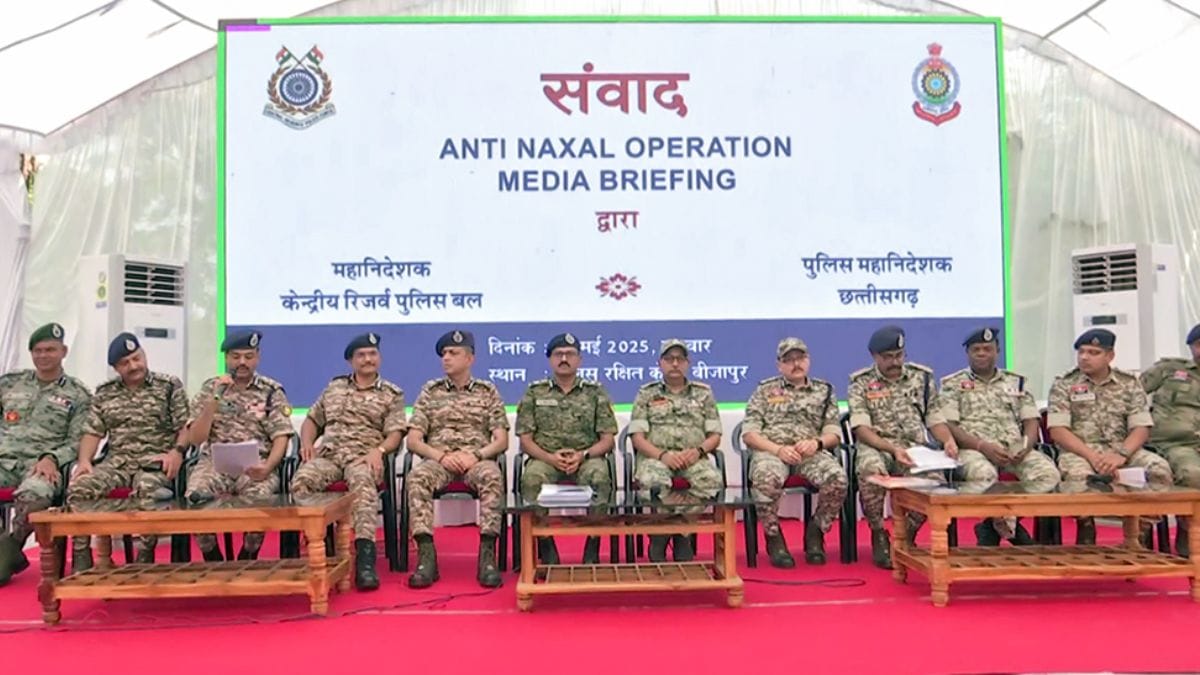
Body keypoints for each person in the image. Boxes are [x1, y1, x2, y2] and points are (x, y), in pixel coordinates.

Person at [291, 332, 405, 590]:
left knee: (363, 485)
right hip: (329, 456)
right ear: (351, 361)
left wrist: (380, 450)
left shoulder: (391, 393)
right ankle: (322, 550)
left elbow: (396, 433)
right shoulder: (334, 387)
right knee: (302, 480)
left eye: (372, 354)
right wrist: (307, 444)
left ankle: (365, 561)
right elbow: (312, 420)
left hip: (364, 457)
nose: (368, 359)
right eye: (361, 355)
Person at [68, 332, 189, 571]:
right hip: (118, 463)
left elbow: (185, 427)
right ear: (116, 368)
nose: (134, 366)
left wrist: (177, 452)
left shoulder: (168, 386)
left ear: (144, 355)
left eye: (137, 358)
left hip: (156, 462)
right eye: (125, 363)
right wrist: (84, 462)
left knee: (147, 489)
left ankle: (145, 552)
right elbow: (93, 432)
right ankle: (81, 552)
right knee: (79, 487)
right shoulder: (105, 392)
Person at [1047, 328, 1172, 544]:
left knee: (1158, 469)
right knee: (1079, 478)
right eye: (1082, 352)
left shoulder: (1129, 384)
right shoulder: (1064, 384)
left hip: (1123, 450)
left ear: (1110, 356)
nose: (1085, 357)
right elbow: (1058, 431)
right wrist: (1093, 457)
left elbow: (1141, 426)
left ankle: (1137, 531)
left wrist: (1121, 455)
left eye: (1094, 352)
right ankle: (1086, 529)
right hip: (1081, 451)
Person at [937, 327, 1059, 546]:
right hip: (973, 450)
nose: (982, 353)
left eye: (987, 349)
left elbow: (1031, 420)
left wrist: (1026, 445)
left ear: (998, 351)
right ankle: (1008, 529)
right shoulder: (952, 384)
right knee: (985, 477)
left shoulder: (1016, 382)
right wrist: (982, 446)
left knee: (1048, 475)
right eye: (976, 349)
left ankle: (992, 526)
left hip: (1014, 449)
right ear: (968, 353)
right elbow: (950, 426)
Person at [405, 330, 508, 589]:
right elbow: (414, 440)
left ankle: (487, 555)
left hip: (476, 459)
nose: (446, 358)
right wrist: (442, 456)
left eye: (454, 353)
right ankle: (426, 557)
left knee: (493, 476)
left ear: (470, 358)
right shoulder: (430, 391)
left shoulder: (487, 391)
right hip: (440, 460)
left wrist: (476, 455)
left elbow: (501, 440)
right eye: (444, 354)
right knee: (417, 478)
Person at [848, 325, 958, 569]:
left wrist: (948, 440)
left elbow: (934, 417)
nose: (895, 362)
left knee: (935, 482)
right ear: (874, 357)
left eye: (899, 355)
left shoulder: (922, 377)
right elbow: (861, 428)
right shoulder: (860, 383)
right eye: (888, 357)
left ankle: (905, 534)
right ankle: (878, 533)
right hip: (877, 445)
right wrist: (891, 449)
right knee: (870, 470)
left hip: (914, 447)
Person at [184, 330, 294, 561]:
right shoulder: (210, 388)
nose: (242, 362)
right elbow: (195, 438)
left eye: (248, 356)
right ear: (226, 358)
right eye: (235, 356)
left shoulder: (271, 391)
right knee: (195, 496)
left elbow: (281, 437)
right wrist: (214, 400)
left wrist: (268, 466)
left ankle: (249, 553)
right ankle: (212, 555)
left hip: (256, 464)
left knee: (259, 499)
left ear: (258, 357)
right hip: (215, 464)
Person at [741, 337, 848, 567]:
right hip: (772, 451)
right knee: (765, 478)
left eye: (800, 358)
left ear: (808, 360)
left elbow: (834, 432)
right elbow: (749, 433)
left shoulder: (824, 390)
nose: (795, 364)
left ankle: (816, 532)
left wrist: (817, 443)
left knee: (837, 479)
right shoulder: (765, 390)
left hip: (810, 452)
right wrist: (777, 449)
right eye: (789, 360)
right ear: (779, 365)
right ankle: (773, 537)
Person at [515, 332, 617, 564]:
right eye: (558, 354)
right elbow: (525, 439)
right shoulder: (535, 391)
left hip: (586, 457)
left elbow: (607, 438)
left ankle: (593, 544)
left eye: (570, 354)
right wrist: (550, 458)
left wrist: (583, 455)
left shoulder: (595, 392)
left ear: (579, 360)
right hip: (545, 458)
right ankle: (545, 545)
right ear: (550, 359)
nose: (564, 358)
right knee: (531, 479)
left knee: (600, 477)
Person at [0, 323, 91, 584]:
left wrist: (52, 457)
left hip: (41, 465)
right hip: (4, 460)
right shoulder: (9, 384)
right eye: (37, 350)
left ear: (64, 351)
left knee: (35, 496)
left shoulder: (77, 394)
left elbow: (78, 440)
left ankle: (12, 545)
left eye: (50, 349)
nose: (43, 355)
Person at [628, 339, 723, 562]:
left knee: (712, 481)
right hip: (657, 457)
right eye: (669, 359)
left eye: (680, 359)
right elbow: (637, 437)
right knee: (653, 483)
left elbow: (715, 436)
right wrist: (663, 456)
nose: (675, 363)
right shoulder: (646, 394)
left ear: (688, 363)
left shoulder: (704, 393)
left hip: (693, 457)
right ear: (660, 363)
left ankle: (681, 532)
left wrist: (698, 451)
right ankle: (661, 536)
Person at [1139, 322, 1200, 556]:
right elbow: (1129, 396)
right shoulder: (1169, 370)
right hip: (1173, 444)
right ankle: (1188, 534)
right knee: (1194, 474)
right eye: (1198, 345)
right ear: (1191, 347)